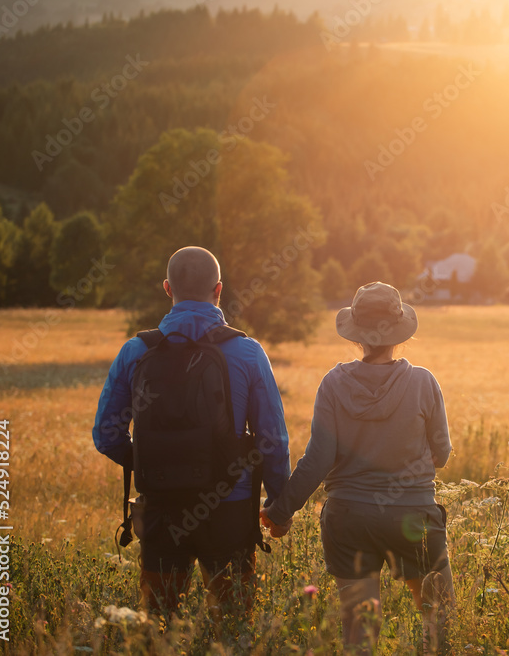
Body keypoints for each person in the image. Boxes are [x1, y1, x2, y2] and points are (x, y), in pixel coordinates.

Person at [92, 246, 291, 627]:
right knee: (234, 626)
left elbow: (106, 434)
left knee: (159, 626)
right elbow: (272, 439)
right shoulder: (247, 352)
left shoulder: (136, 351)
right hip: (230, 505)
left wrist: (151, 459)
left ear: (168, 288)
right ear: (219, 289)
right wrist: (279, 505)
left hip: (161, 506)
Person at [260, 281, 455, 655]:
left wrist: (280, 512)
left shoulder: (333, 384)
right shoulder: (423, 382)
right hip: (412, 517)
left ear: (357, 336)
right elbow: (441, 452)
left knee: (360, 633)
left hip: (348, 519)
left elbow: (318, 459)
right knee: (438, 622)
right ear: (399, 333)